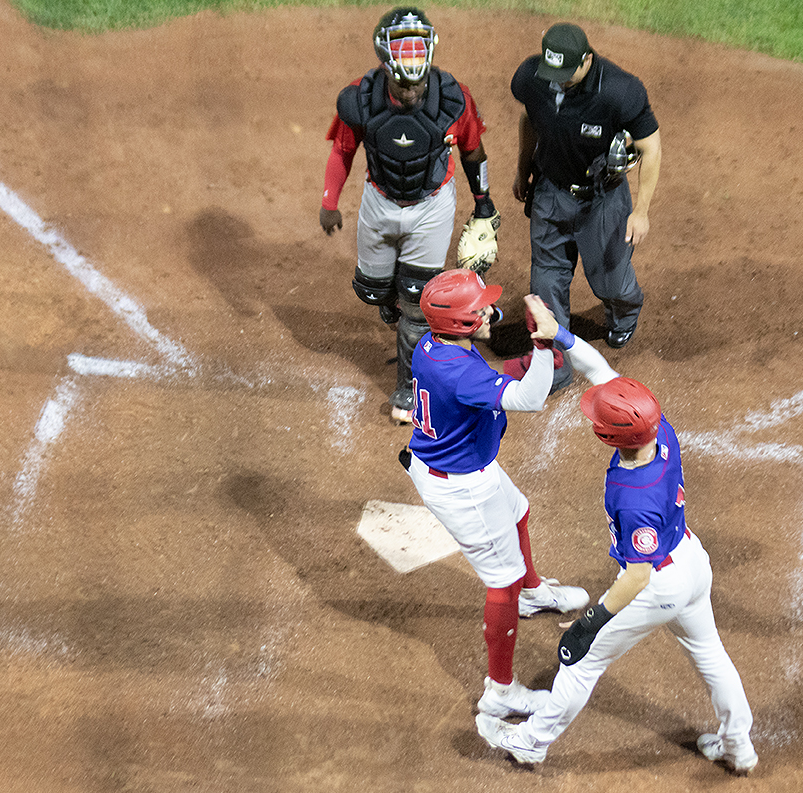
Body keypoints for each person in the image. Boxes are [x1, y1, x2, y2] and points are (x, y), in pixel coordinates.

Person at [476, 374, 759, 775]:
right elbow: (610, 380)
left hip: (657, 584)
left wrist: (593, 620)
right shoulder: (661, 432)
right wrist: (562, 337)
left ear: (611, 437)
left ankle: (530, 742)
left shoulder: (632, 497)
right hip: (691, 559)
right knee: (710, 652)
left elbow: (638, 576)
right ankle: (738, 746)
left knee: (581, 663)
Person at [400, 268, 591, 719]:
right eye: (478, 309)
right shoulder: (457, 371)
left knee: (519, 511)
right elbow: (529, 399)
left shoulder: (434, 344)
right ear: (460, 324)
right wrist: (542, 347)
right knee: (499, 582)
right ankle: (500, 690)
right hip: (462, 484)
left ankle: (532, 592)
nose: (489, 310)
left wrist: (520, 355)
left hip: (461, 463)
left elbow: (481, 377)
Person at [321, 7, 498, 424]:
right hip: (379, 202)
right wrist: (330, 200)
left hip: (431, 206)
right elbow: (343, 149)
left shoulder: (454, 98)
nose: (411, 90)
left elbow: (473, 152)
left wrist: (483, 201)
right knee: (372, 290)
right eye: (402, 82)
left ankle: (407, 387)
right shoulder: (360, 97)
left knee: (418, 305)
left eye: (417, 80)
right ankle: (391, 301)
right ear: (385, 66)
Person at [510, 22, 662, 393]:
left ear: (587, 61)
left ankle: (624, 312)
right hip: (551, 192)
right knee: (545, 279)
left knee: (610, 281)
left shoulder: (620, 90)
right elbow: (531, 120)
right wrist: (523, 168)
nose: (558, 81)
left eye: (567, 74)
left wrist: (640, 211)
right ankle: (556, 366)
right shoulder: (532, 78)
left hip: (603, 200)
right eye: (552, 73)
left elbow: (651, 147)